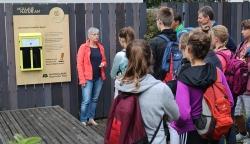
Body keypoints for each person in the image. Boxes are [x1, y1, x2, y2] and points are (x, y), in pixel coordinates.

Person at [171, 29, 234, 144]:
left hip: (191, 131)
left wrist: (174, 124)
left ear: (188, 49)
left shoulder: (184, 77)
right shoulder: (217, 72)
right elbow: (229, 101)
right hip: (213, 129)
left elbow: (183, 114)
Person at [115, 39, 180, 143]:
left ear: (127, 58)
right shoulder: (161, 89)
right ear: (150, 58)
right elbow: (175, 116)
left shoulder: (119, 84)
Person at [211, 25, 237, 144]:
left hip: (221, 95)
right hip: (231, 93)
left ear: (216, 39)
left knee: (220, 125)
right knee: (229, 122)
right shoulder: (230, 53)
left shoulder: (218, 57)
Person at [77, 27, 107, 126]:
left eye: (97, 34)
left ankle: (91, 118)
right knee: (86, 100)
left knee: (94, 99)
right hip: (87, 78)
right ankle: (83, 119)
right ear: (89, 36)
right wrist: (82, 80)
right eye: (94, 34)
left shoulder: (101, 47)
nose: (96, 36)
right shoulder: (83, 47)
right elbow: (79, 64)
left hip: (98, 78)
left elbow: (104, 60)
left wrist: (103, 63)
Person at [149, 6, 177, 81]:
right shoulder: (179, 39)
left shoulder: (155, 42)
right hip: (176, 83)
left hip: (158, 83)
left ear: (160, 21)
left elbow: (149, 66)